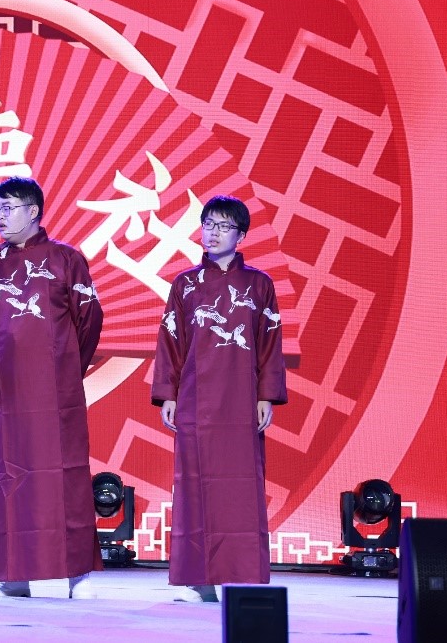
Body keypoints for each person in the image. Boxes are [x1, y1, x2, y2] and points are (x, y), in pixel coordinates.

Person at [0, 177, 104, 599]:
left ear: (33, 211)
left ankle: (77, 575)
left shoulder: (66, 259)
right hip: (4, 392)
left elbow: (89, 320)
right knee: (7, 478)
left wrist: (65, 365)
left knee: (64, 478)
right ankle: (13, 574)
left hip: (55, 393)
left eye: (8, 208)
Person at [152, 195, 287, 603]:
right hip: (195, 400)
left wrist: (266, 396)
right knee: (194, 487)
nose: (212, 233)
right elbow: (171, 343)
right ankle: (198, 579)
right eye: (208, 224)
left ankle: (241, 575)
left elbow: (270, 345)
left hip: (241, 400)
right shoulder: (185, 284)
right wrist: (168, 394)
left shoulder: (259, 285)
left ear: (241, 235)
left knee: (240, 489)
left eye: (223, 226)